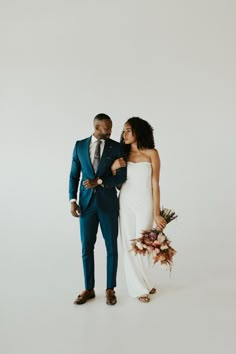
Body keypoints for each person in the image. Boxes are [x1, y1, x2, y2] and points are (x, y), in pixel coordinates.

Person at [69, 113, 127, 305]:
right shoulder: (79, 146)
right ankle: (89, 289)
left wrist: (100, 181)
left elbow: (121, 177)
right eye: (106, 127)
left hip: (108, 205)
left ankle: (110, 289)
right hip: (85, 205)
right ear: (96, 127)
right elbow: (73, 176)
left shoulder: (116, 147)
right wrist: (72, 200)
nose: (110, 130)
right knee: (86, 248)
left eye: (111, 127)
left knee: (111, 247)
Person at [111, 117, 166, 303]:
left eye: (128, 130)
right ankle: (138, 288)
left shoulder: (152, 153)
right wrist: (113, 168)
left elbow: (155, 184)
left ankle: (146, 281)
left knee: (143, 244)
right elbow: (117, 183)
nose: (124, 134)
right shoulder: (122, 154)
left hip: (145, 203)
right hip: (125, 202)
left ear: (138, 132)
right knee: (128, 245)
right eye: (123, 130)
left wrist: (157, 213)